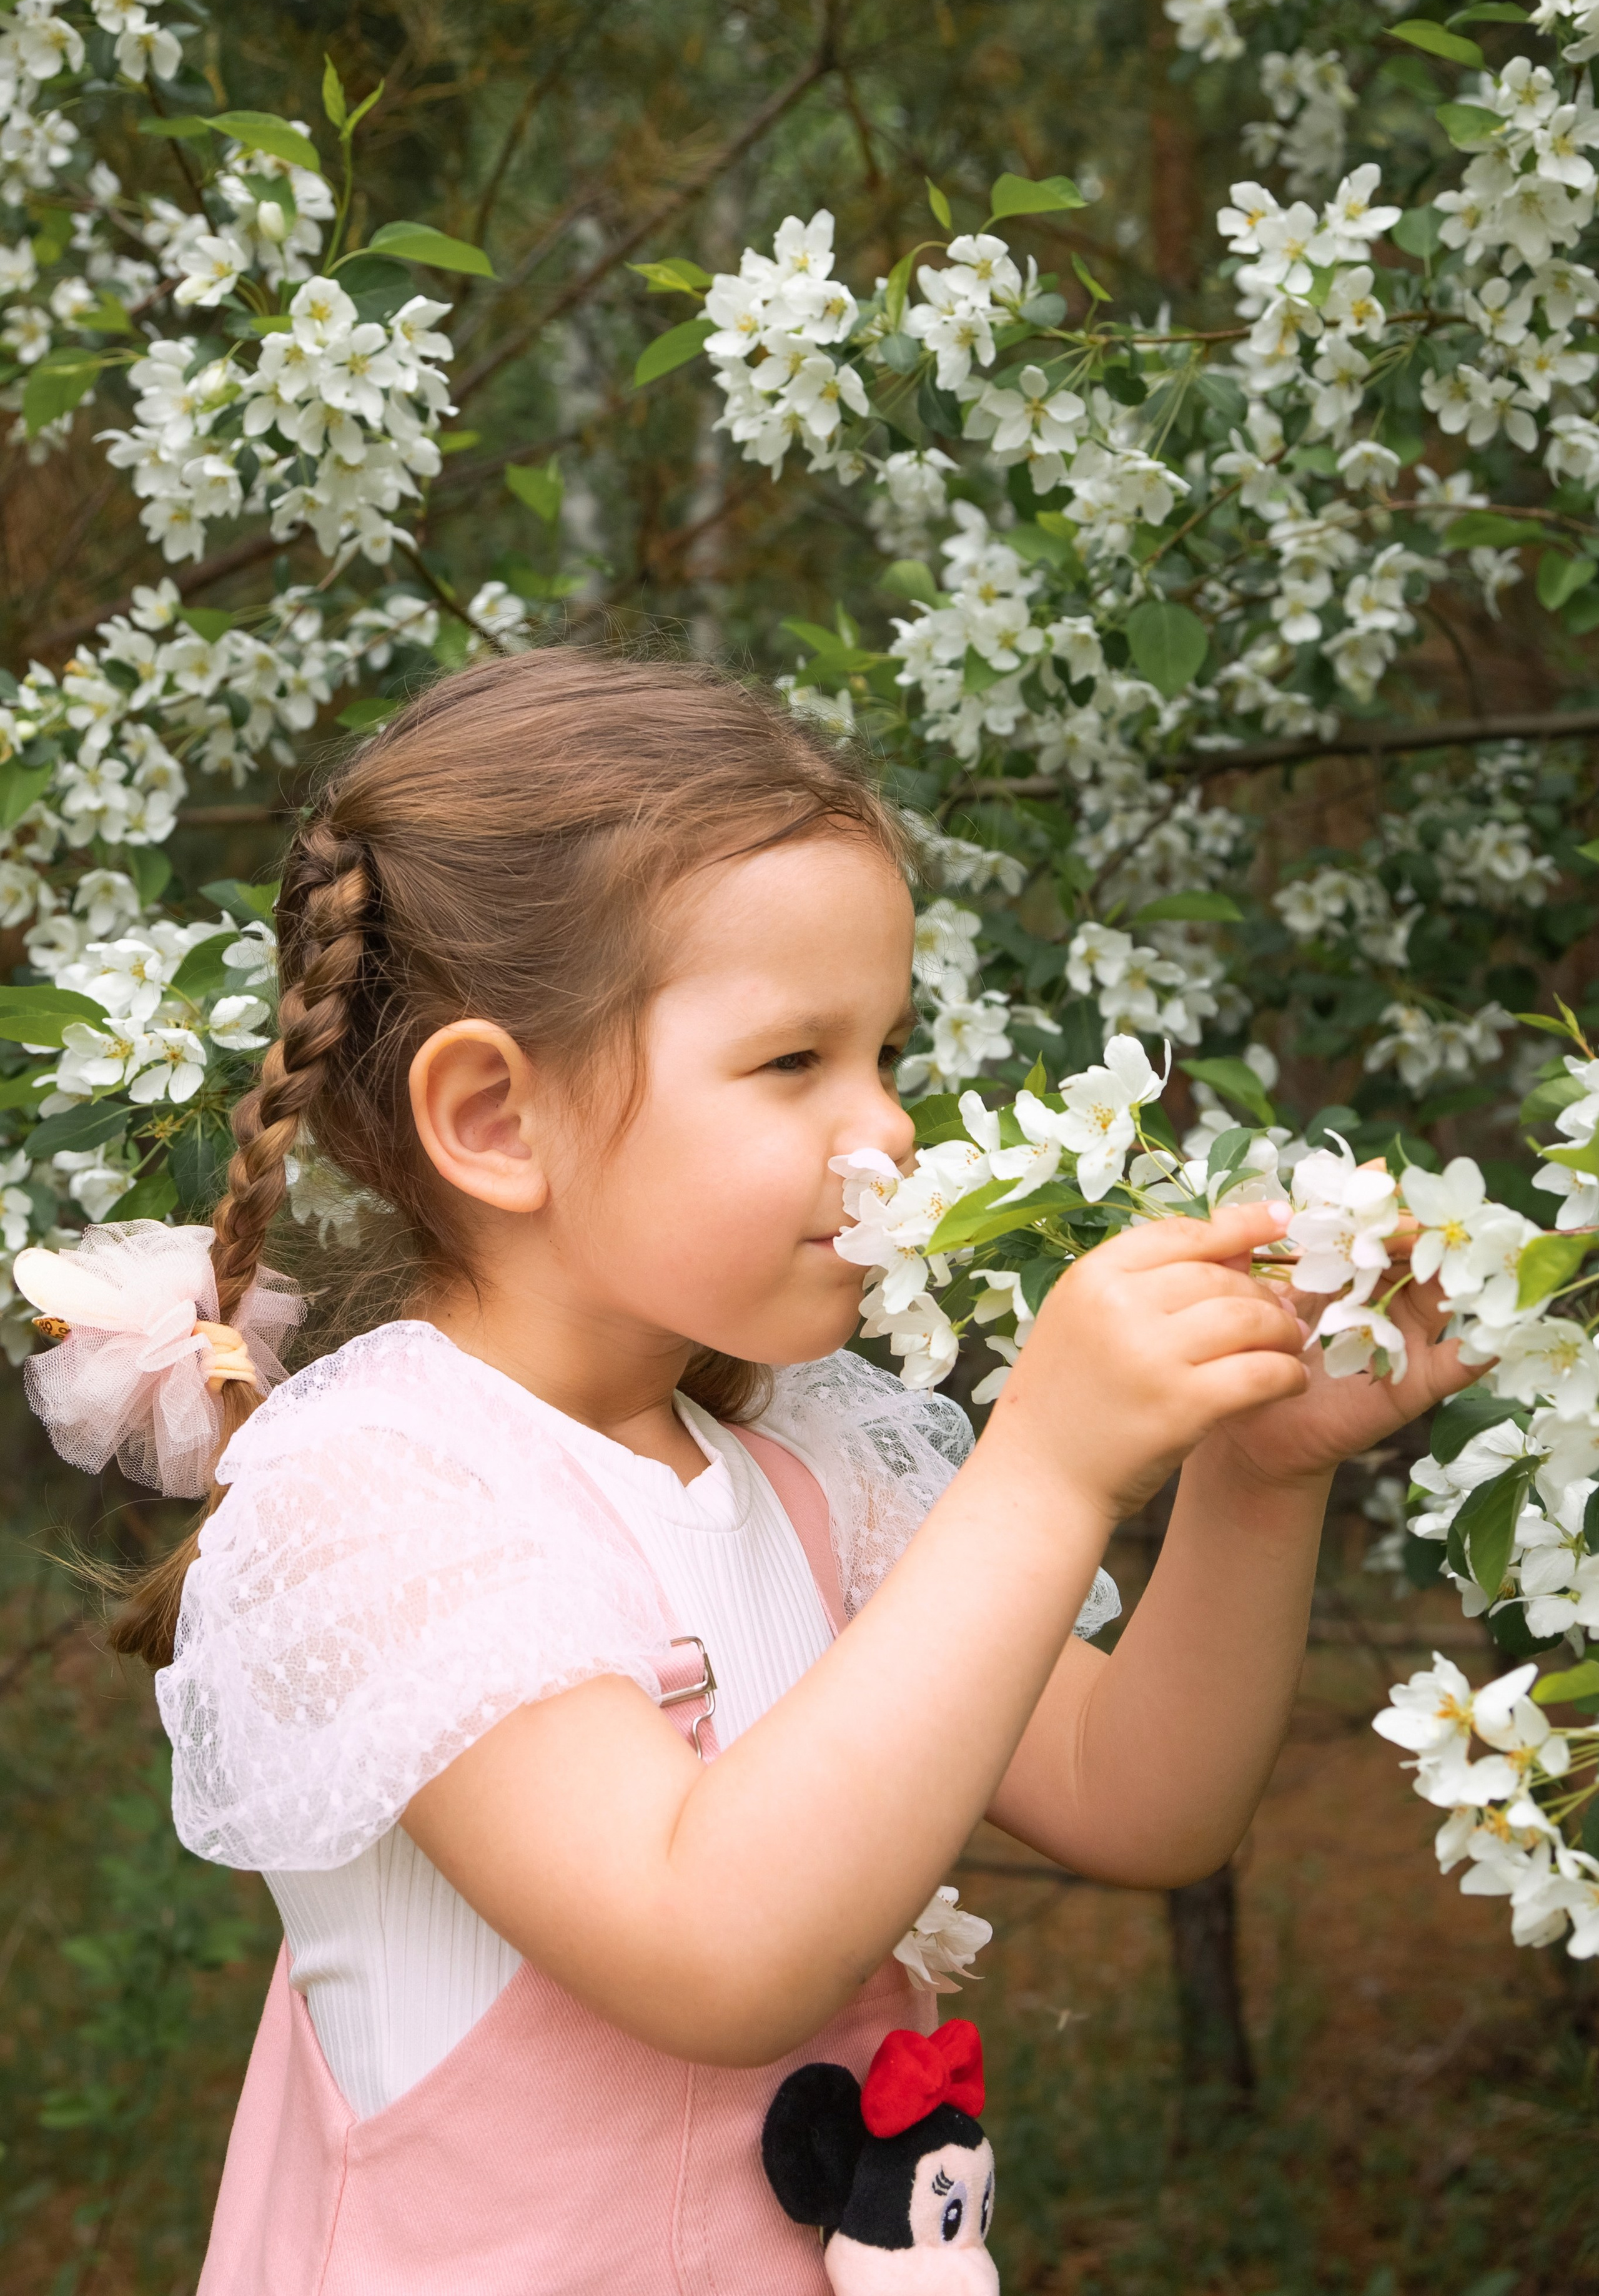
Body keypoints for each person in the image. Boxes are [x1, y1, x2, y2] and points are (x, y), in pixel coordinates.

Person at [16, 653, 1472, 2295]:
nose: (893, 1132)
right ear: (497, 1117)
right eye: (794, 1065)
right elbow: (711, 1948)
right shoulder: (377, 1492)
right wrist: (1046, 1472)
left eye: (888, 1054)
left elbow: (1145, 1799)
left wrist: (1260, 1478)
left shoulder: (802, 1463)